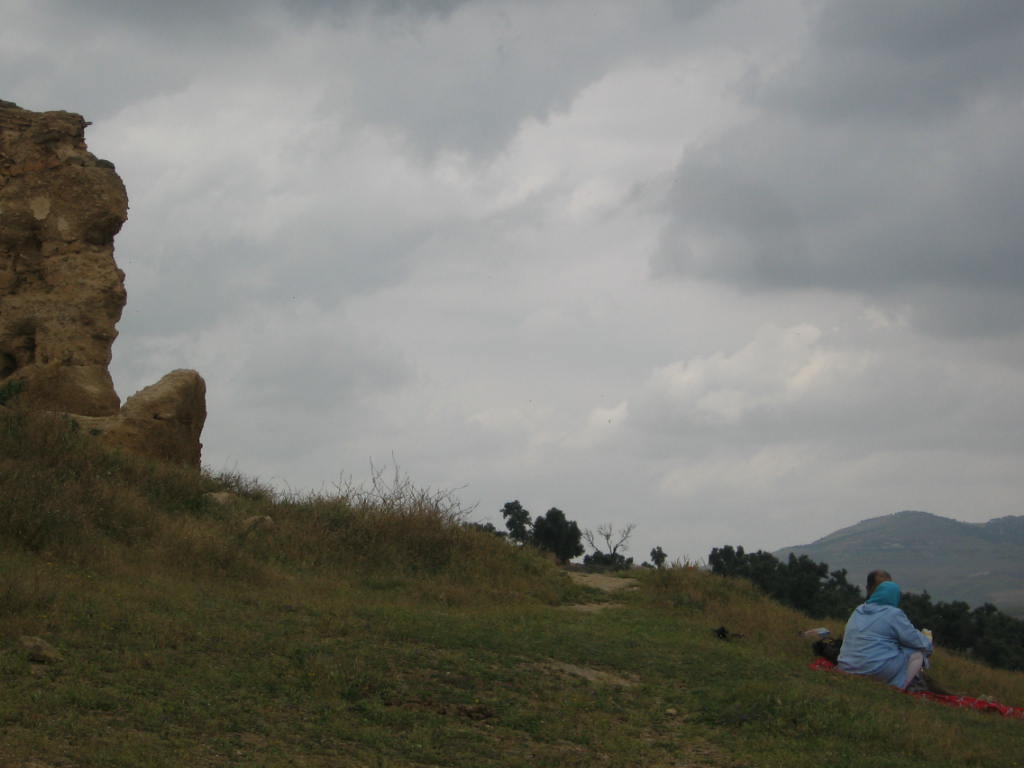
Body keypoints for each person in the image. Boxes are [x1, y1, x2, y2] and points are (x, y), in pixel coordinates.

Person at [837, 581, 933, 690]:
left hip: (845, 666)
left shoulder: (858, 610)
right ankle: (898, 687)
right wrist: (928, 641)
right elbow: (915, 640)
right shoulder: (893, 614)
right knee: (917, 655)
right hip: (872, 670)